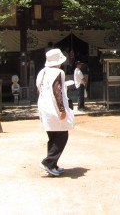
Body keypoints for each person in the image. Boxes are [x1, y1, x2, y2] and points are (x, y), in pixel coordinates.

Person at [36, 48, 75, 177]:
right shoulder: (58, 72)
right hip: (54, 108)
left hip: (44, 106)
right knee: (62, 135)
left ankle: (53, 164)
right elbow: (57, 90)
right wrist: (62, 109)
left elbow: (38, 88)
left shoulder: (42, 72)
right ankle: (48, 161)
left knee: (53, 136)